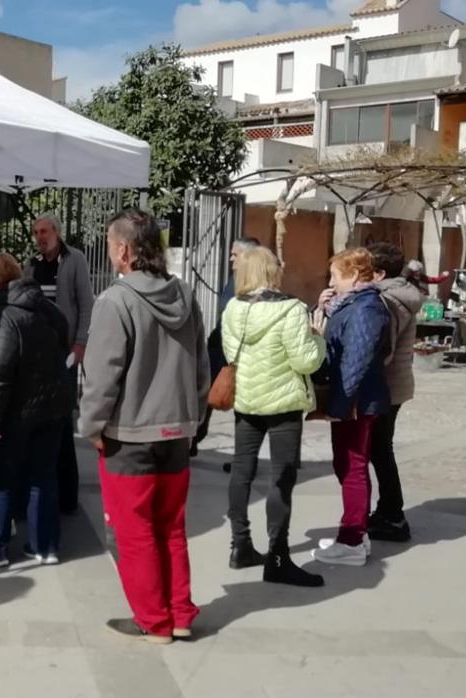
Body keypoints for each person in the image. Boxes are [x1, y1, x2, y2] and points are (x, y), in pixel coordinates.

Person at [79, 209, 208, 644]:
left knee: (135, 533)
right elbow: (202, 366)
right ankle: (180, 612)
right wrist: (194, 417)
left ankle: (154, 620)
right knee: (171, 526)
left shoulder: (115, 301)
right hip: (176, 428)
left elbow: (102, 375)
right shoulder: (186, 295)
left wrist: (91, 425)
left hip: (129, 434)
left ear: (124, 250)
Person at [219, 247, 325, 587]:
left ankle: (240, 545)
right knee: (281, 478)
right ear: (271, 270)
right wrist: (319, 339)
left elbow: (228, 352)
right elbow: (306, 361)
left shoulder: (233, 308)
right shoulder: (292, 310)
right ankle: (278, 557)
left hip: (247, 401)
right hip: (283, 405)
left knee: (241, 471)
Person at [0, 253, 71, 567]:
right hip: (54, 406)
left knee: (0, 477)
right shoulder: (49, 310)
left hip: (17, 410)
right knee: (43, 477)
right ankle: (45, 546)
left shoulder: (3, 317)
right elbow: (64, 345)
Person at [311, 248, 391, 567]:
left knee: (352, 466)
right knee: (348, 465)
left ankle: (353, 538)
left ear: (355, 275)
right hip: (352, 398)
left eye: (336, 276)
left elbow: (355, 360)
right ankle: (356, 531)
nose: (331, 282)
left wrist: (340, 405)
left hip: (356, 399)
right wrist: (322, 310)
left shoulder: (366, 308)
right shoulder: (351, 304)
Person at [24, 212, 93, 514]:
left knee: (63, 422)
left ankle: (66, 493)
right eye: (36, 232)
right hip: (37, 353)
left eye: (44, 231)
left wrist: (80, 344)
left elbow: (86, 304)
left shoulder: (73, 259)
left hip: (65, 351)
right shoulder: (31, 264)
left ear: (57, 232)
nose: (40, 237)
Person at [367, 243, 422, 543]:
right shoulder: (400, 294)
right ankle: (388, 510)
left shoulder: (387, 300)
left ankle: (393, 516)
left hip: (386, 385)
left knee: (379, 450)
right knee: (380, 449)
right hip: (396, 384)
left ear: (379, 272)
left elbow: (383, 349)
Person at [197, 237, 262, 460]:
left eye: (236, 254)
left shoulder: (253, 285)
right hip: (219, 345)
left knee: (232, 400)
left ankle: (243, 456)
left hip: (232, 353)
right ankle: (196, 435)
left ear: (249, 256)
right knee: (207, 393)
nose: (231, 258)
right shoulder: (235, 278)